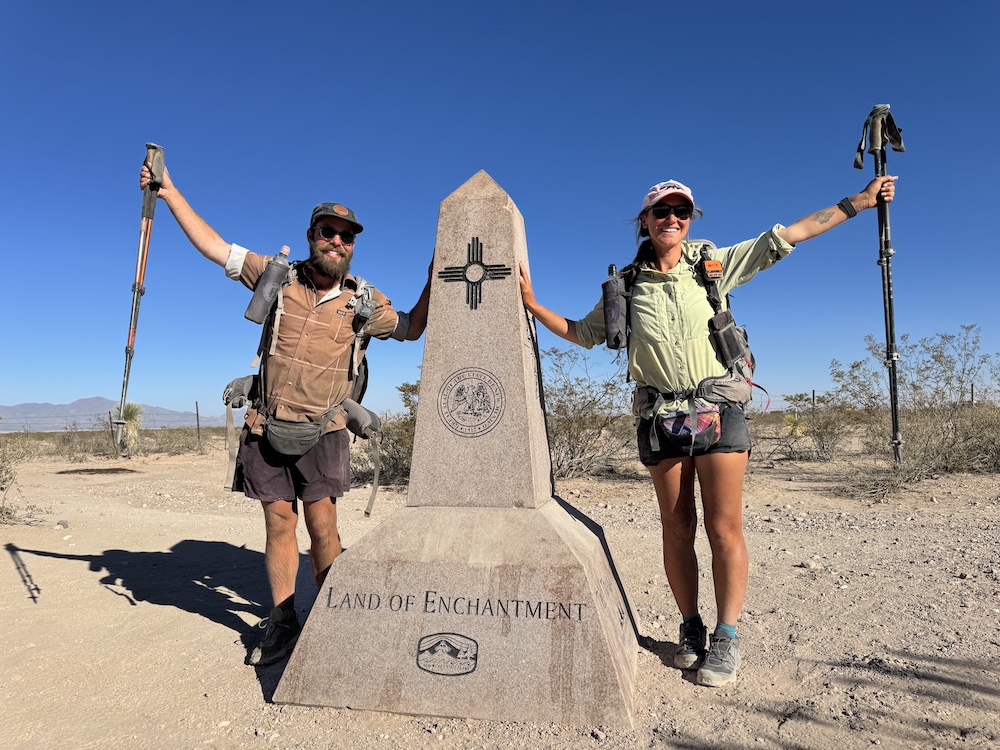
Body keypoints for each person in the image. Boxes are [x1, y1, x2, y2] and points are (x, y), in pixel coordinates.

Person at [519, 174, 896, 687]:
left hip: (719, 407)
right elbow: (584, 334)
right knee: (677, 527)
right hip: (660, 416)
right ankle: (691, 629)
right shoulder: (626, 286)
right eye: (661, 211)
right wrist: (531, 300)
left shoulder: (712, 267)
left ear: (689, 219)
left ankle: (726, 636)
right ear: (645, 222)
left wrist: (859, 201)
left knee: (723, 528)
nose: (672, 218)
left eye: (682, 211)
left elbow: (791, 234)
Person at [140, 157, 430, 666]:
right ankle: (283, 621)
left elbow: (412, 327)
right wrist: (169, 193)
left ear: (353, 244)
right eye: (328, 232)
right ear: (312, 234)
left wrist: (437, 277)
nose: (337, 242)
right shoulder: (277, 278)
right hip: (267, 423)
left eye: (347, 236)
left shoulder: (364, 300)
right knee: (279, 525)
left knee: (323, 527)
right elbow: (215, 247)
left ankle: (335, 615)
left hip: (325, 429)